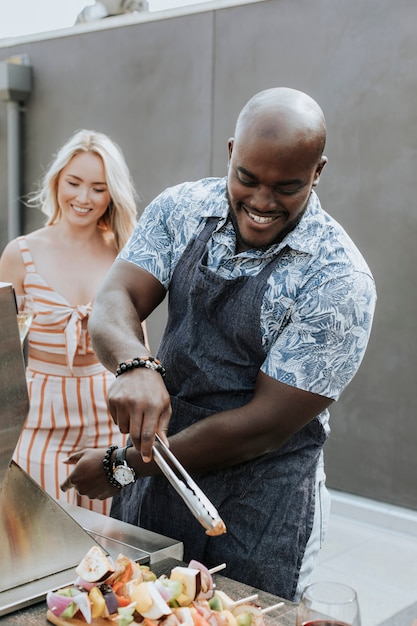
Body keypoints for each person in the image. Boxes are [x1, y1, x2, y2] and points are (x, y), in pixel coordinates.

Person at [61, 88, 377, 601]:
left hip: (262, 502)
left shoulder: (339, 281)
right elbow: (115, 297)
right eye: (247, 179)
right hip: (157, 475)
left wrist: (123, 465)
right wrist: (135, 364)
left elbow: (262, 427)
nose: (261, 202)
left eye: (286, 187)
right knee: (135, 607)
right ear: (231, 152)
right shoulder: (182, 210)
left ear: (318, 172)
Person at [0, 129, 144, 516]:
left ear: (112, 193)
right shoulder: (21, 254)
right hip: (37, 424)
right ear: (57, 182)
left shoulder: (126, 253)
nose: (83, 198)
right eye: (74, 183)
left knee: (110, 549)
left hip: (107, 423)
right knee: (35, 536)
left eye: (98, 188)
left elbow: (139, 349)